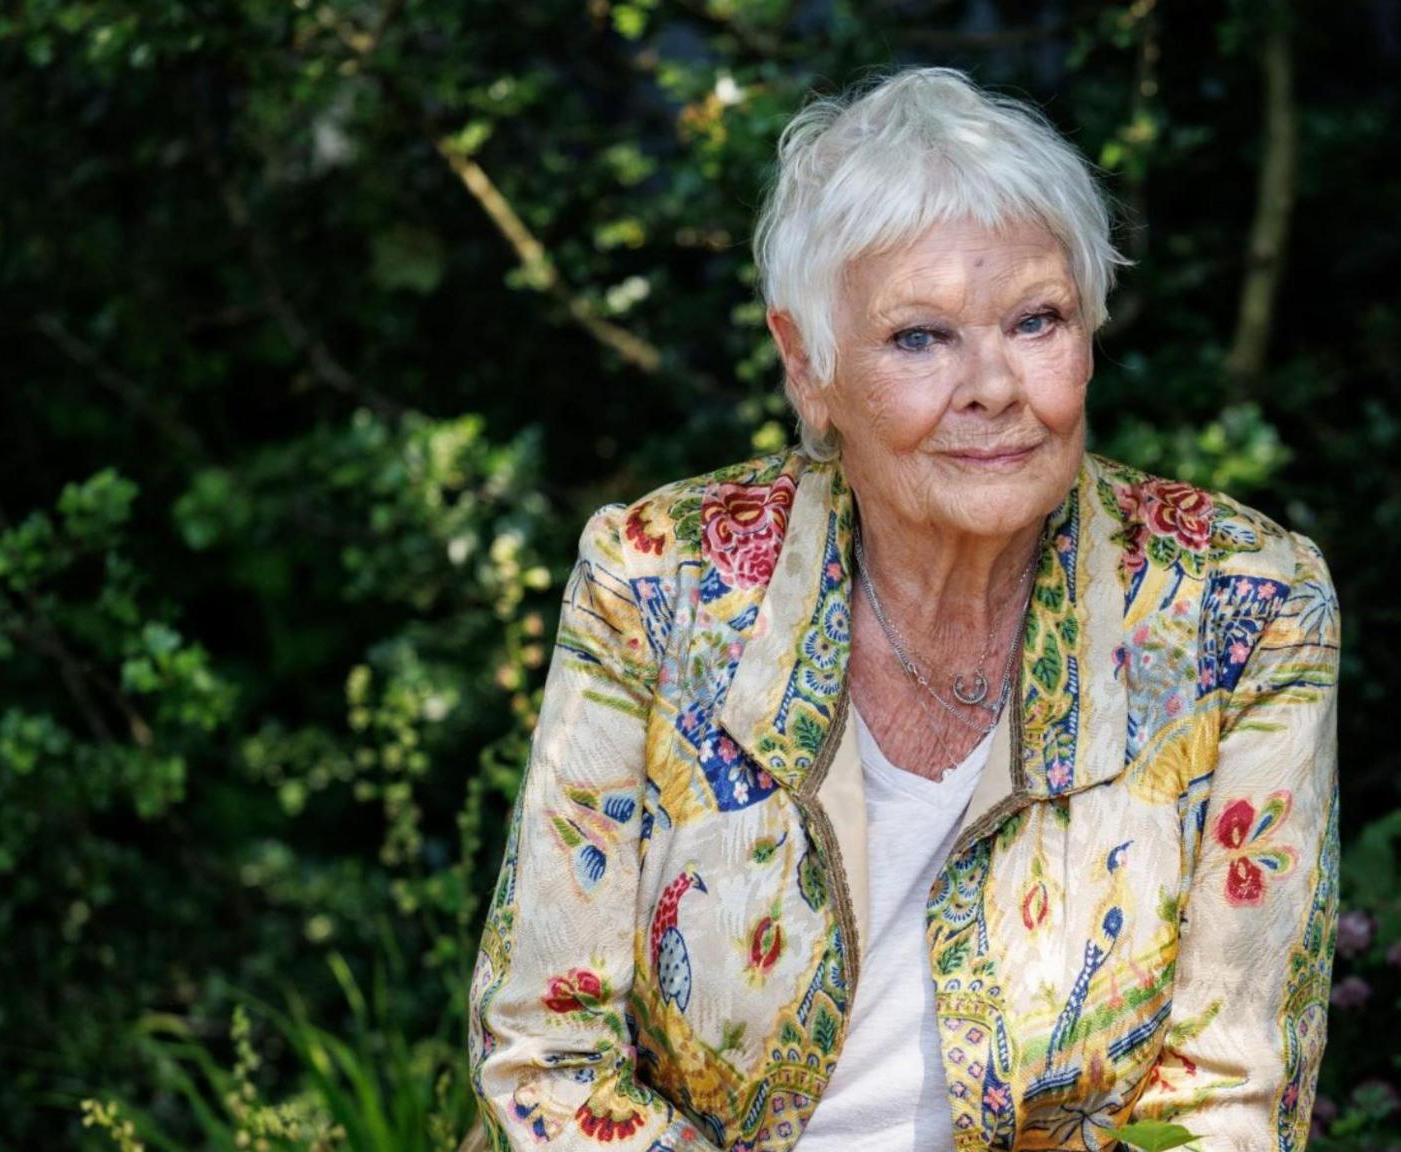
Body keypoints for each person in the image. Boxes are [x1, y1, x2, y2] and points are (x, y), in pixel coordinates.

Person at [466, 65, 1342, 1152]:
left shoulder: (1242, 606)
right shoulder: (662, 580)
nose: (991, 387)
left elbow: (1226, 1100)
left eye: (1035, 321)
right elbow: (543, 1059)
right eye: (918, 338)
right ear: (807, 368)